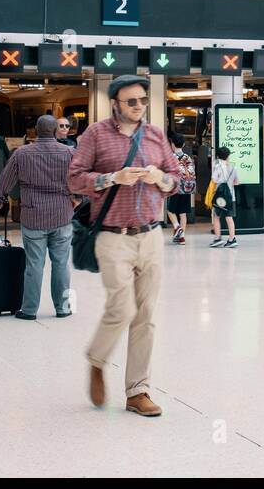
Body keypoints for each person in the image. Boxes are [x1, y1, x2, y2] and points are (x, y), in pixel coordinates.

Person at [68, 74, 180, 418]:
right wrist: (111, 178)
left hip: (150, 235)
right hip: (112, 236)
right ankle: (97, 360)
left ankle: (138, 391)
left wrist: (159, 178)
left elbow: (176, 179)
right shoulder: (96, 135)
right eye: (132, 101)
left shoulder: (156, 136)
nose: (139, 107)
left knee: (145, 315)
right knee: (122, 308)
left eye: (143, 100)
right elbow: (74, 177)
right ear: (115, 102)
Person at [0, 114, 76, 320]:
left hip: (33, 215)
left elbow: (6, 178)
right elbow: (80, 179)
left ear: (35, 131)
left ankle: (30, 310)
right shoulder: (69, 152)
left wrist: (0, 197)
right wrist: (79, 199)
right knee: (61, 263)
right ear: (54, 130)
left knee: (34, 264)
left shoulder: (22, 153)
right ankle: (63, 308)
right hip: (62, 214)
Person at [165, 130, 193, 246]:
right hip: (186, 188)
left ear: (172, 144)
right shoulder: (187, 157)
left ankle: (177, 228)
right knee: (183, 213)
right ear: (183, 145)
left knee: (170, 210)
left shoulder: (170, 158)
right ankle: (181, 238)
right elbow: (191, 173)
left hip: (174, 187)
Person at [208, 146, 239, 249]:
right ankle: (232, 239)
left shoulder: (217, 167)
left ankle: (217, 238)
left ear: (217, 156)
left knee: (216, 217)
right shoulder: (233, 167)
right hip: (230, 196)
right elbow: (237, 182)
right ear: (228, 156)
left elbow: (214, 180)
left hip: (220, 197)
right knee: (229, 217)